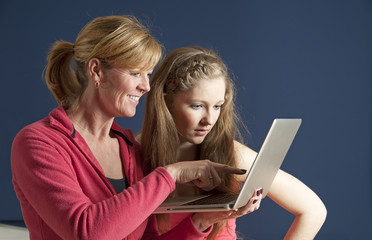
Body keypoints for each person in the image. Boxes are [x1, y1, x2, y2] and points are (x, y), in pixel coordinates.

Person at [10, 16, 251, 240]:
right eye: (136, 73)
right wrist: (171, 174)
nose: (146, 86)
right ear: (96, 71)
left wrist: (201, 221)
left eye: (148, 74)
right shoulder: (38, 142)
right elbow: (86, 231)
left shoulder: (129, 150)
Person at [139, 46, 327, 239]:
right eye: (197, 106)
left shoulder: (231, 155)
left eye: (217, 106)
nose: (209, 119)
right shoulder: (132, 155)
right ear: (166, 101)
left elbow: (313, 210)